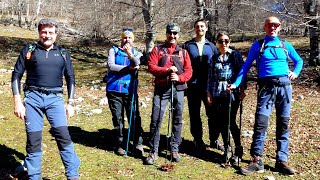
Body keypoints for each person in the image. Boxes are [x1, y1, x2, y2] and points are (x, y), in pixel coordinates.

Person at [228, 16, 303, 175]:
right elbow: (246, 66)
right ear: (265, 27)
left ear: (280, 27)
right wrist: (236, 83)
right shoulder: (258, 45)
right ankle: (257, 160)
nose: (273, 27)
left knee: (283, 123)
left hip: (284, 87)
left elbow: (299, 61)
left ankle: (281, 161)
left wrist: (295, 73)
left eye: (276, 25)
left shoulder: (285, 45)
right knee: (261, 122)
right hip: (266, 88)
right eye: (270, 25)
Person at [11, 19, 80, 180]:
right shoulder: (29, 50)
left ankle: (73, 174)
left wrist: (70, 102)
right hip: (33, 98)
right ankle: (34, 176)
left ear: (56, 34)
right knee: (33, 139)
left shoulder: (63, 53)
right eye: (43, 32)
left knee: (63, 135)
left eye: (50, 32)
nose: (47, 35)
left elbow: (70, 78)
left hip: (55, 99)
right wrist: (18, 102)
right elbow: (16, 76)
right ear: (39, 33)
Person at [146, 22, 192, 165]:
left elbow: (189, 71)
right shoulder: (157, 49)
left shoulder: (183, 52)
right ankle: (153, 150)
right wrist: (166, 71)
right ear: (166, 33)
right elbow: (151, 66)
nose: (172, 36)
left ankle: (174, 148)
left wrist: (179, 78)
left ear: (178, 35)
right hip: (161, 89)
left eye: (175, 33)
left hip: (178, 89)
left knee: (177, 119)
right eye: (170, 33)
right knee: (156, 119)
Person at [182, 19, 223, 154]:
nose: (200, 28)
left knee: (213, 114)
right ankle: (198, 139)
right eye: (197, 26)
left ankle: (214, 139)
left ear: (206, 28)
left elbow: (218, 65)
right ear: (194, 29)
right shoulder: (187, 45)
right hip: (192, 86)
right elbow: (182, 64)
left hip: (209, 87)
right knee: (194, 114)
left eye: (202, 26)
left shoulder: (212, 46)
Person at [206, 31, 246, 163]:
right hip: (217, 92)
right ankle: (227, 148)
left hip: (231, 93)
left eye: (226, 40)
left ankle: (238, 148)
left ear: (229, 41)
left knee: (231, 121)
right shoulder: (214, 57)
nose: (223, 43)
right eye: (220, 41)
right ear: (216, 43)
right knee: (222, 122)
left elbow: (242, 73)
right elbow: (210, 77)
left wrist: (242, 90)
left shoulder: (235, 55)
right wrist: (208, 93)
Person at [105, 28, 144, 157]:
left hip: (130, 90)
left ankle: (138, 142)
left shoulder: (137, 53)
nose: (127, 40)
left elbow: (137, 63)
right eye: (124, 37)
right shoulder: (113, 50)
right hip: (114, 89)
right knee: (118, 117)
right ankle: (119, 143)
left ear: (133, 40)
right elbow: (111, 66)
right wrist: (129, 68)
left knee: (134, 117)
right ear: (121, 38)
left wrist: (129, 54)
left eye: (129, 38)